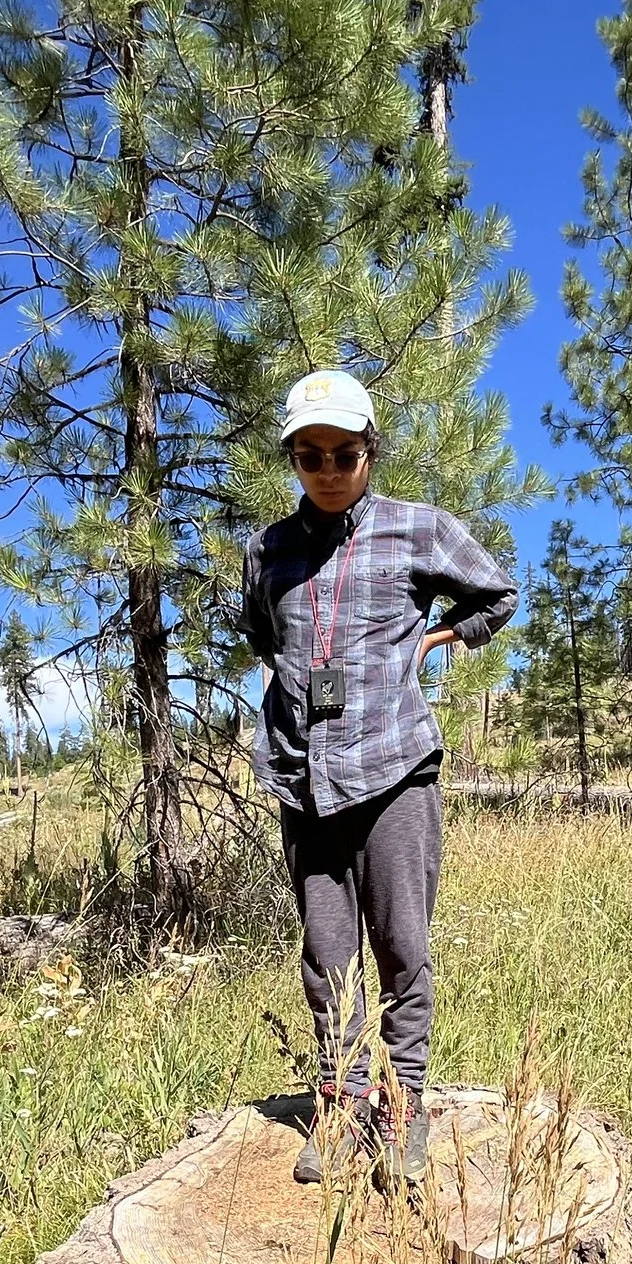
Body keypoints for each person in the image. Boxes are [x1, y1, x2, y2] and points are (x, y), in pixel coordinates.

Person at [241, 369, 517, 1187]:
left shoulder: (417, 531)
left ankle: (404, 1103)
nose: (328, 469)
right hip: (305, 779)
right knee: (328, 954)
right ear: (293, 456)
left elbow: (499, 594)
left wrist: (438, 642)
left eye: (344, 453)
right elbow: (263, 634)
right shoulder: (267, 550)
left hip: (396, 767)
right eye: (310, 454)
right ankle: (340, 1103)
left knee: (402, 944)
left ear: (370, 451)